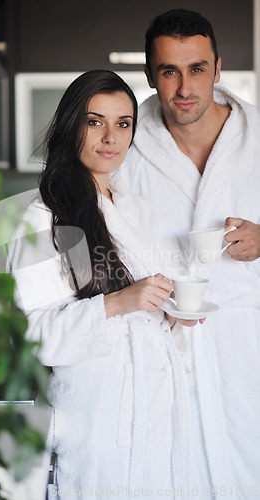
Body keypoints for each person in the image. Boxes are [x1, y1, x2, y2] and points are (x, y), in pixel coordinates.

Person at [7, 70, 201, 499]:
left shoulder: (139, 210)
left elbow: (147, 311)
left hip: (156, 409)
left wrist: (172, 316)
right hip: (95, 416)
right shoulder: (44, 218)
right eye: (95, 121)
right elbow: (34, 335)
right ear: (71, 125)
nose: (110, 137)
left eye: (123, 123)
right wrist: (117, 303)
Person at [120, 8, 260, 499]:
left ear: (218, 68)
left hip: (249, 354)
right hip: (162, 353)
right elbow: (86, 230)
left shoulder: (257, 137)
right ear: (149, 75)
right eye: (169, 71)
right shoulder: (128, 147)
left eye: (197, 68)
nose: (184, 87)